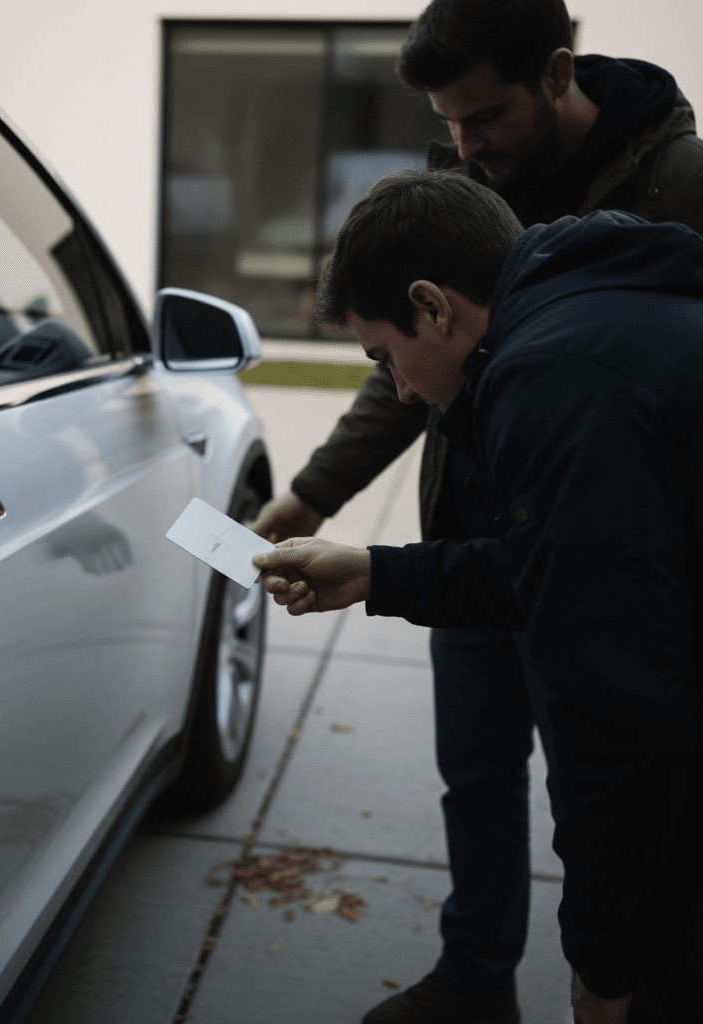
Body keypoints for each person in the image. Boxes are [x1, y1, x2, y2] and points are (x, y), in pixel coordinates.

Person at [252, 2, 703, 1019]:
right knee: (484, 770)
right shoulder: (527, 281)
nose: (465, 143)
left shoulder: (563, 363)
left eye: (481, 116)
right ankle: (477, 974)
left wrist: (601, 970)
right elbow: (564, 566)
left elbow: (614, 712)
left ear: (554, 73)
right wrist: (373, 561)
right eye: (446, 124)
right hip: (528, 539)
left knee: (616, 783)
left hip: (616, 564)